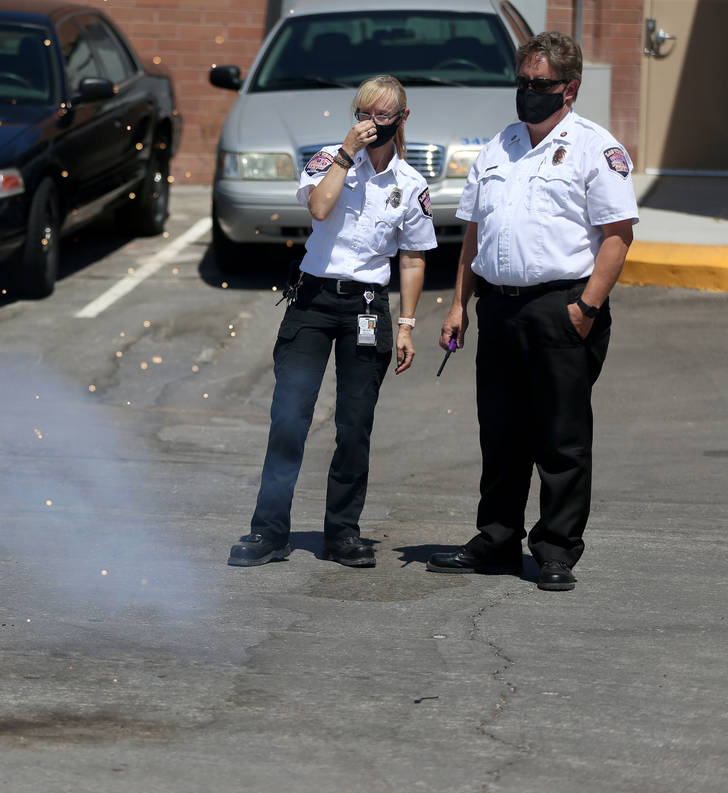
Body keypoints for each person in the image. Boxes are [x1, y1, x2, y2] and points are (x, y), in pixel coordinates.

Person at [427, 32, 637, 590]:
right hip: (499, 308)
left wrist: (586, 309)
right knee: (500, 434)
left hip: (560, 307)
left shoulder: (597, 147)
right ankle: (497, 539)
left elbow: (617, 236)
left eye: (539, 84)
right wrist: (458, 305)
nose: (527, 93)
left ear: (568, 89)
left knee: (560, 438)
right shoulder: (500, 146)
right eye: (521, 82)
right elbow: (475, 231)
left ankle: (556, 550)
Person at [229, 75, 436, 568]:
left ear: (402, 119)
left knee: (354, 424)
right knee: (289, 418)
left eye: (383, 116)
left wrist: (405, 323)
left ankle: (343, 533)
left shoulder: (410, 185)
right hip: (315, 300)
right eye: (364, 114)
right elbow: (320, 208)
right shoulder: (328, 159)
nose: (371, 124)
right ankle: (269, 531)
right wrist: (347, 153)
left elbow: (412, 258)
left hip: (366, 306)